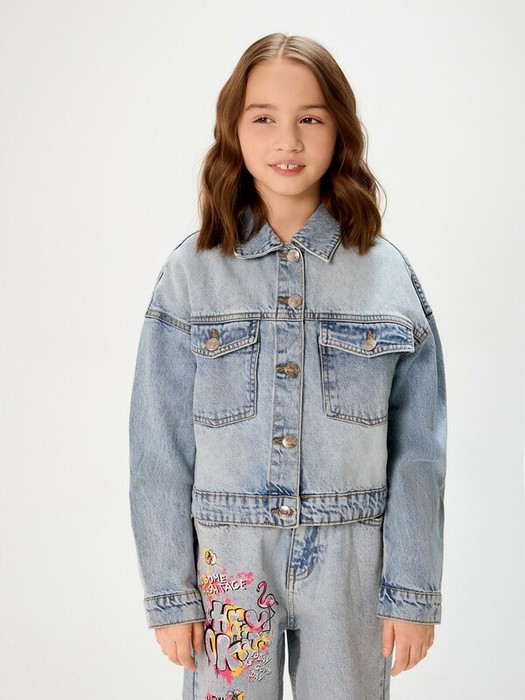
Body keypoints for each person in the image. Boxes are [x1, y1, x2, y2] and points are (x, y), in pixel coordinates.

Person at [129, 32, 447, 700]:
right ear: (233, 131)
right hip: (229, 566)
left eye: (310, 118)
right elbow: (158, 444)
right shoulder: (190, 274)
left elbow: (418, 451)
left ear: (340, 130)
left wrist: (412, 591)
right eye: (263, 118)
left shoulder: (386, 275)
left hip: (352, 566)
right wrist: (170, 592)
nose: (288, 140)